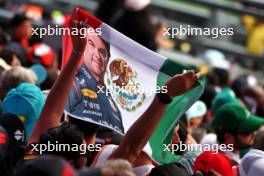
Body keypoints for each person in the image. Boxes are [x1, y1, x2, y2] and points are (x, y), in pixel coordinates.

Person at [29, 8, 199, 169]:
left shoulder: (27, 158)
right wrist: (164, 95)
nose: (88, 153)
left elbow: (51, 112)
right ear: (78, 162)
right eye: (85, 153)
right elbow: (131, 149)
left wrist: (77, 52)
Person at [65, 28, 124, 134]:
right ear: (84, 47)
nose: (97, 55)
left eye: (102, 51)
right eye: (92, 45)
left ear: (108, 58)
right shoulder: (71, 84)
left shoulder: (112, 96)